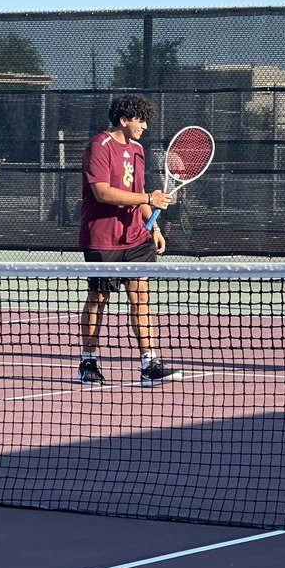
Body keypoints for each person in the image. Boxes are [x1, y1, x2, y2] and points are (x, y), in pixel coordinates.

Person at [77, 93, 181, 388]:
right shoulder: (99, 147)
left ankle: (149, 364)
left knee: (141, 297)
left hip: (136, 238)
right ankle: (88, 362)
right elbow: (103, 193)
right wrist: (149, 197)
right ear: (124, 120)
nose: (145, 126)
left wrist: (154, 227)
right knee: (98, 299)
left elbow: (139, 191)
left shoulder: (137, 149)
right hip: (103, 239)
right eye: (140, 120)